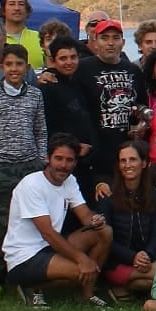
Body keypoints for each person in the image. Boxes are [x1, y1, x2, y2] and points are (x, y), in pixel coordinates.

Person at [0, 134, 111, 308]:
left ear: (75, 163)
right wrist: (82, 259)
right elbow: (48, 233)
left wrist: (96, 220)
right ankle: (29, 286)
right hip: (25, 257)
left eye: (69, 160)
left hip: (49, 249)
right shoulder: (31, 184)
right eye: (58, 158)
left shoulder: (70, 181)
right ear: (47, 158)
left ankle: (86, 295)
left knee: (104, 232)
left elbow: (85, 216)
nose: (63, 165)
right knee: (81, 272)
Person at [0, 44, 48, 298]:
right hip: (0, 169)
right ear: (2, 67)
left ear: (27, 67)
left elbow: (40, 131)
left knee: (31, 223)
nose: (14, 69)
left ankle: (28, 275)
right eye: (9, 64)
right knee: (2, 224)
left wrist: (40, 161)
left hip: (29, 168)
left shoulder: (35, 96)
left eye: (19, 64)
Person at [74, 18, 144, 198]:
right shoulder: (82, 68)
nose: (110, 43)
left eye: (115, 38)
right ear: (95, 41)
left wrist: (141, 126)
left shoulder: (133, 71)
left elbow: (142, 104)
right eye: (105, 38)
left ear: (123, 42)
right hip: (97, 154)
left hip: (127, 150)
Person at [94, 140, 156, 300]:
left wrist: (147, 255)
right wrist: (133, 257)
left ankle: (123, 290)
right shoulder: (108, 195)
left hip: (147, 261)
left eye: (132, 159)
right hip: (117, 263)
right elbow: (106, 239)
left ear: (144, 163)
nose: (127, 165)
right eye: (123, 160)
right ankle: (124, 287)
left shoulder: (155, 195)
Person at [38, 36, 97, 195]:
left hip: (85, 160)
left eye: (73, 57)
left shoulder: (81, 83)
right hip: (62, 163)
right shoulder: (48, 87)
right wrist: (74, 147)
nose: (69, 62)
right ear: (53, 60)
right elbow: (46, 127)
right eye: (63, 58)